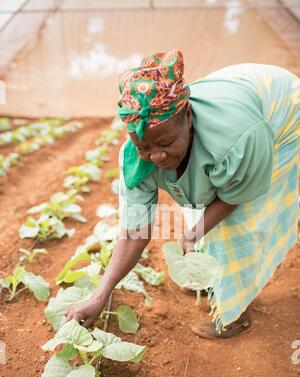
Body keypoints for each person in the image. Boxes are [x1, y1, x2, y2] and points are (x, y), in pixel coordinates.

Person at [66, 50, 299, 339]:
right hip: (235, 96)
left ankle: (236, 312)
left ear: (187, 116)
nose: (157, 155)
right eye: (144, 148)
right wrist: (100, 294)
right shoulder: (136, 159)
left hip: (282, 108)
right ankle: (210, 276)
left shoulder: (238, 138)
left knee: (237, 223)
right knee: (199, 198)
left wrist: (192, 233)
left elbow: (234, 196)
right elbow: (135, 231)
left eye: (166, 142)